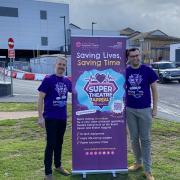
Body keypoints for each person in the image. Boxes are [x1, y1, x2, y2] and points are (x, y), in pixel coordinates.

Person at [126, 48, 158, 180]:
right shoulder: (125, 71)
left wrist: (155, 108)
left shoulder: (148, 70)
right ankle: (138, 163)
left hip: (145, 109)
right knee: (133, 138)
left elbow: (154, 91)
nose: (135, 58)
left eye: (137, 55)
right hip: (130, 109)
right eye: (132, 56)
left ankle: (148, 170)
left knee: (145, 140)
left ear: (140, 56)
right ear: (128, 58)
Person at [37, 56, 72, 180]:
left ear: (65, 67)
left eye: (64, 65)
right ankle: (48, 173)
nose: (61, 66)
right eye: (60, 64)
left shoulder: (67, 81)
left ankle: (58, 165)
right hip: (50, 117)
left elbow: (78, 91)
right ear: (55, 65)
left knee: (59, 143)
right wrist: (40, 116)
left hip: (62, 118)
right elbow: (40, 97)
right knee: (51, 144)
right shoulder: (48, 80)